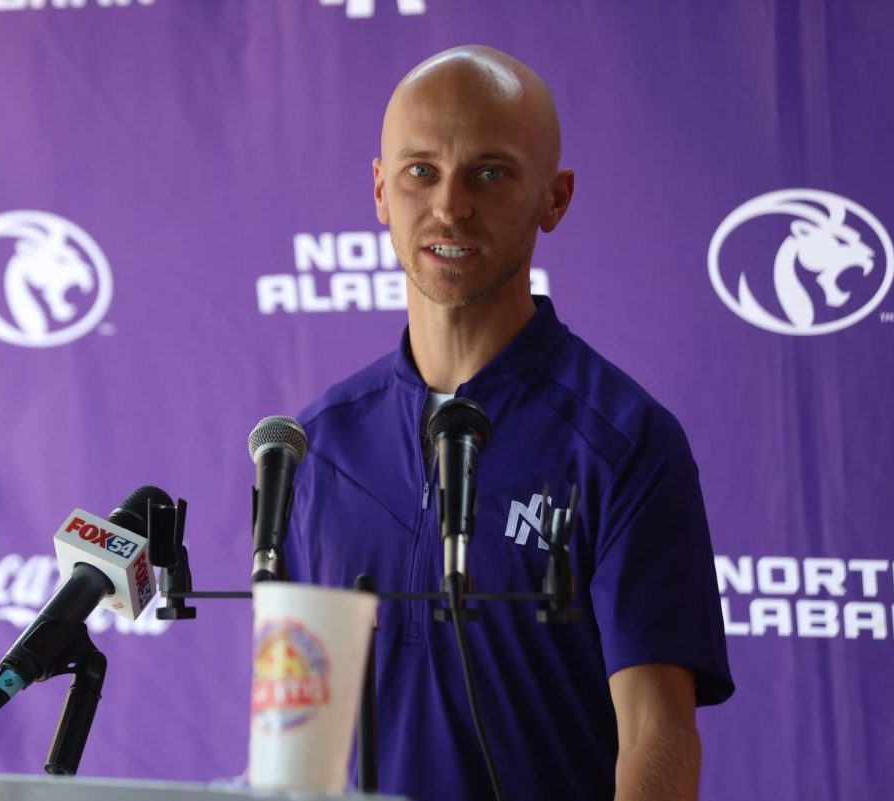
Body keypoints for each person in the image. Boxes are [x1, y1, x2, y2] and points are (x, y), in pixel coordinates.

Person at [284, 45, 733, 801]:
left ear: (553, 198)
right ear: (380, 191)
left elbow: (658, 734)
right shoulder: (316, 445)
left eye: (490, 172)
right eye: (420, 170)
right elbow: (297, 731)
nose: (450, 205)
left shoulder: (625, 442)